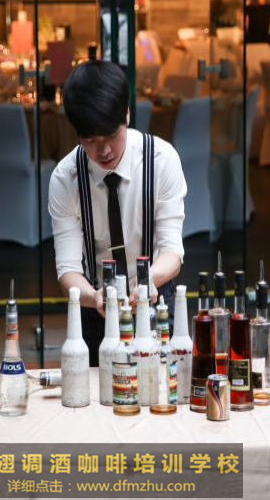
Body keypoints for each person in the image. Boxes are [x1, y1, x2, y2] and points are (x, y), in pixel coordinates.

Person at [48, 61, 187, 365]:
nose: (104, 151)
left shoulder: (161, 161)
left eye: (111, 135)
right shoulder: (65, 178)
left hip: (157, 301)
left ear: (127, 114)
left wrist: (146, 283)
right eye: (90, 141)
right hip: (97, 308)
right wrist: (94, 296)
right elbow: (68, 270)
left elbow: (172, 252)